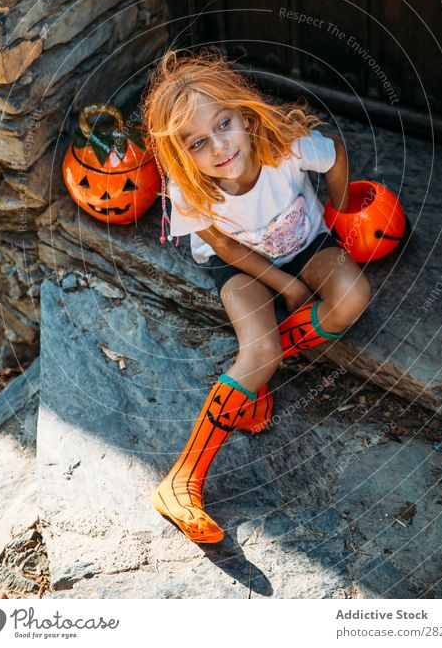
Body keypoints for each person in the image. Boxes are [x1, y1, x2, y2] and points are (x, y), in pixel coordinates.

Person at [141, 49, 370, 543]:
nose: (219, 147)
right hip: (239, 263)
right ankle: (182, 480)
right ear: (183, 155)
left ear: (243, 113)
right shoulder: (190, 188)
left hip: (309, 242)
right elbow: (221, 244)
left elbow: (333, 152)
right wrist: (285, 285)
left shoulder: (283, 146)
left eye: (224, 124)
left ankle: (252, 381)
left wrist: (345, 206)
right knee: (258, 348)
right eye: (198, 142)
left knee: (352, 296)